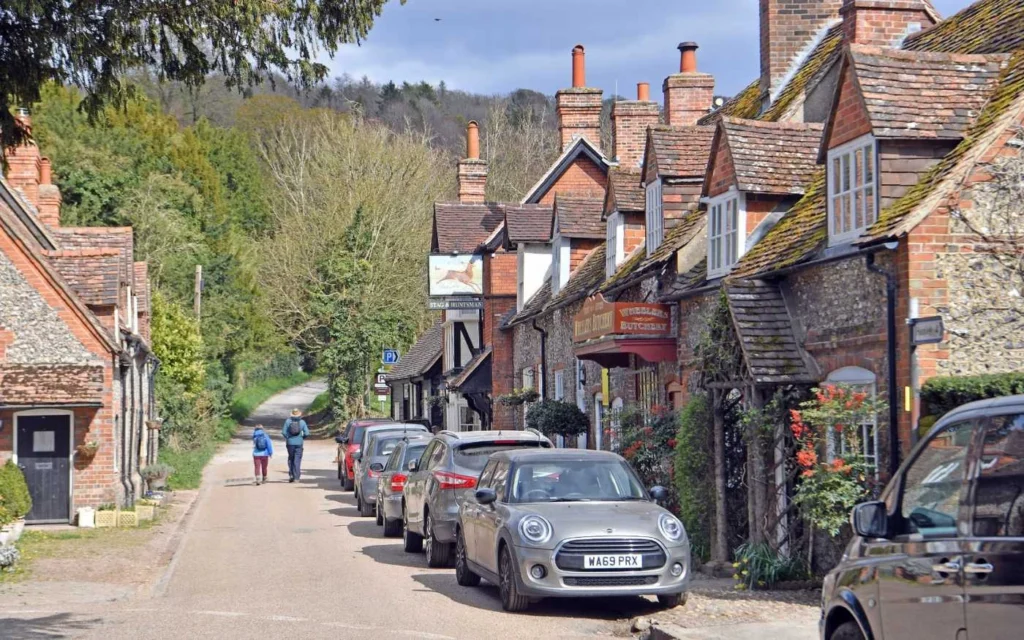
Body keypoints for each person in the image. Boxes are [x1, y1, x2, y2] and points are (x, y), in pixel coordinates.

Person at [282, 409, 309, 482]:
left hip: (290, 443)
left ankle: (291, 475)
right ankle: (297, 477)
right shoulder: (302, 422)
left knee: (291, 459)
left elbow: (283, 432)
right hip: (299, 443)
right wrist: (302, 438)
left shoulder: (288, 421)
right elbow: (307, 433)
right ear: (299, 414)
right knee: (297, 460)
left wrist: (288, 438)